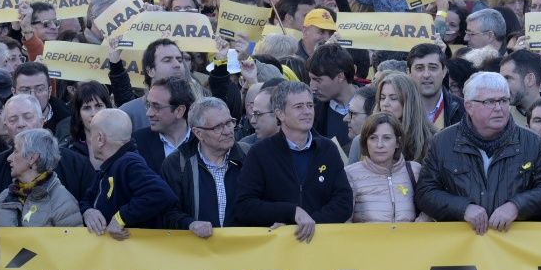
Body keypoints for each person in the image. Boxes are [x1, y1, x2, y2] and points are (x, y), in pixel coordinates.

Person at [416, 72, 541, 233]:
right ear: (469, 106)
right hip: (461, 246)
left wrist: (516, 206)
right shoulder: (443, 142)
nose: (498, 108)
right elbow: (425, 193)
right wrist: (462, 208)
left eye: (504, 101)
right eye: (489, 102)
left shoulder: (532, 142)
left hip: (514, 245)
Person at [236, 81, 353, 239]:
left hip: (322, 245)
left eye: (310, 105)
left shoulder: (328, 149)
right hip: (277, 251)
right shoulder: (260, 153)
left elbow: (343, 201)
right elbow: (245, 205)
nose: (307, 112)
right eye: (299, 107)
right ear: (280, 114)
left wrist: (310, 224)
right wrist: (291, 212)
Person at [82, 109, 177, 237]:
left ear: (100, 139)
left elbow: (161, 193)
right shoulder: (108, 167)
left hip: (133, 253)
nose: (89, 139)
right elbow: (87, 198)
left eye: (90, 134)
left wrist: (120, 218)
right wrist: (88, 211)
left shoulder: (128, 163)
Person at [161, 97, 244, 236]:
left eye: (230, 123)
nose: (228, 131)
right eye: (218, 127)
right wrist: (190, 224)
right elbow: (166, 212)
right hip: (197, 252)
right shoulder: (176, 164)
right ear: (198, 133)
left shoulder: (249, 156)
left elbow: (264, 201)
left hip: (242, 251)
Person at [0, 128, 83, 228]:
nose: (9, 158)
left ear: (32, 158)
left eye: (16, 151)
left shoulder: (63, 202)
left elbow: (73, 242)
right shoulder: (4, 196)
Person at [346, 113, 424, 223]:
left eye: (386, 138)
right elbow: (344, 223)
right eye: (373, 138)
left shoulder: (414, 170)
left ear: (397, 142)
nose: (379, 145)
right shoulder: (350, 174)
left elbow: (429, 210)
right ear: (365, 141)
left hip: (409, 239)